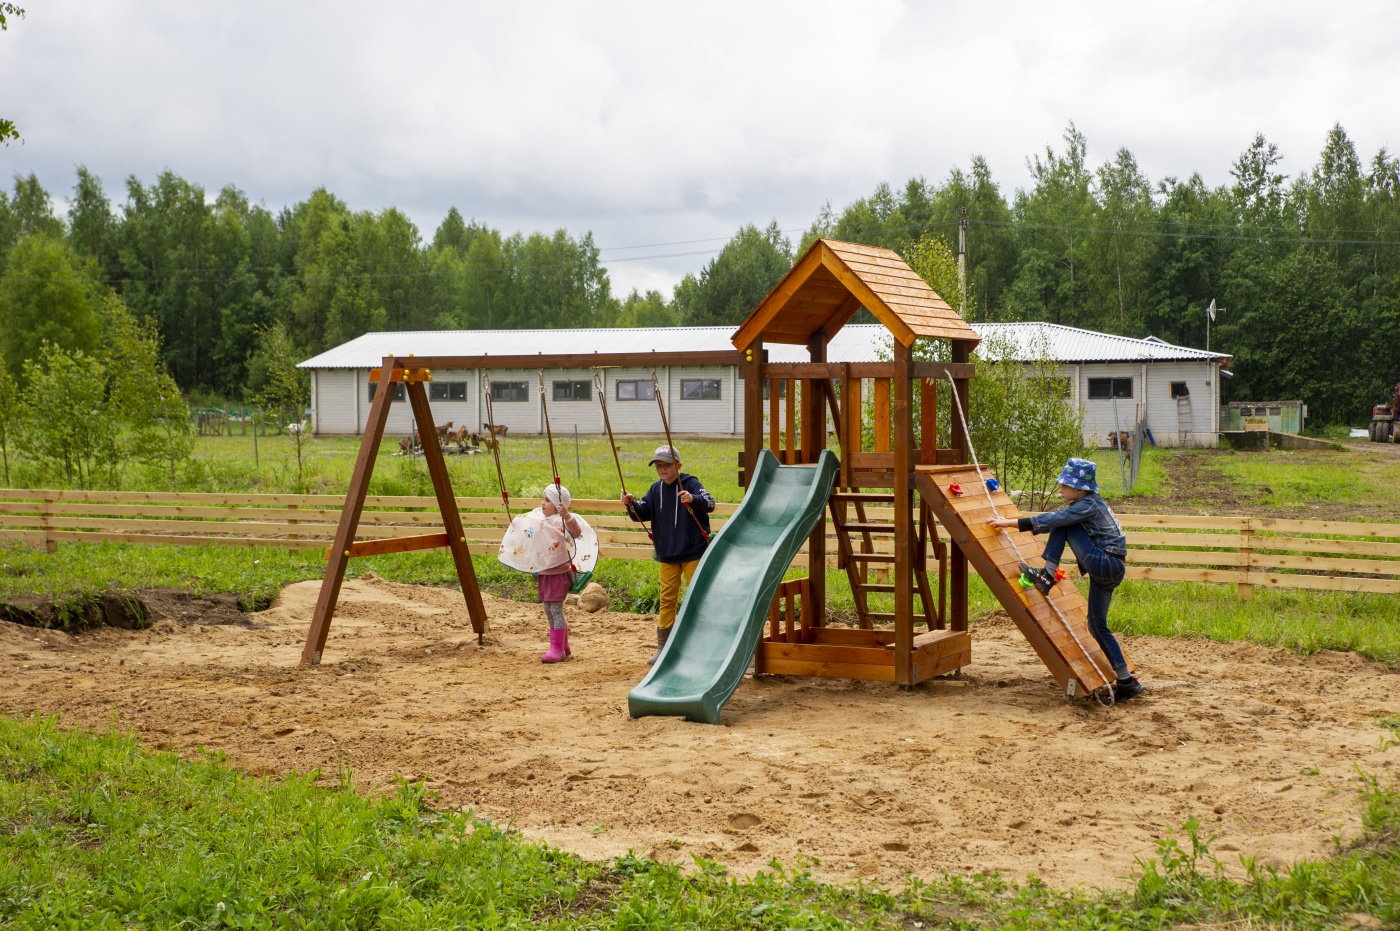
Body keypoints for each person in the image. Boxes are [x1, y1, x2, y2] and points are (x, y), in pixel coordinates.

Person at [986, 457, 1143, 702]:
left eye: (1065, 485)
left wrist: (1008, 523)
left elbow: (1053, 521)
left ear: (1080, 489)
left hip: (1105, 562)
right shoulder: (1088, 503)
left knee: (1061, 521)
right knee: (1096, 626)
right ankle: (1126, 680)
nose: (1060, 488)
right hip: (1111, 568)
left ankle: (1047, 574)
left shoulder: (1088, 504)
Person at [621, 444, 715, 664]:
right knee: (667, 600)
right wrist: (630, 504)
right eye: (658, 465)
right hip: (667, 554)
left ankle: (703, 644)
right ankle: (663, 648)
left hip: (693, 552)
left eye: (667, 465)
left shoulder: (691, 483)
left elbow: (710, 503)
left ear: (679, 465)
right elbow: (641, 513)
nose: (662, 469)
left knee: (698, 598)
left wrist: (693, 499)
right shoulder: (655, 490)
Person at [537, 484, 583, 664]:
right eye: (543, 499)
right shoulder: (542, 520)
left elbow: (577, 532)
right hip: (545, 572)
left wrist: (566, 515)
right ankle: (562, 646)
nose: (542, 503)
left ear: (558, 504)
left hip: (558, 572)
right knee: (548, 609)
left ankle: (557, 649)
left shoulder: (561, 521)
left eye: (547, 500)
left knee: (555, 609)